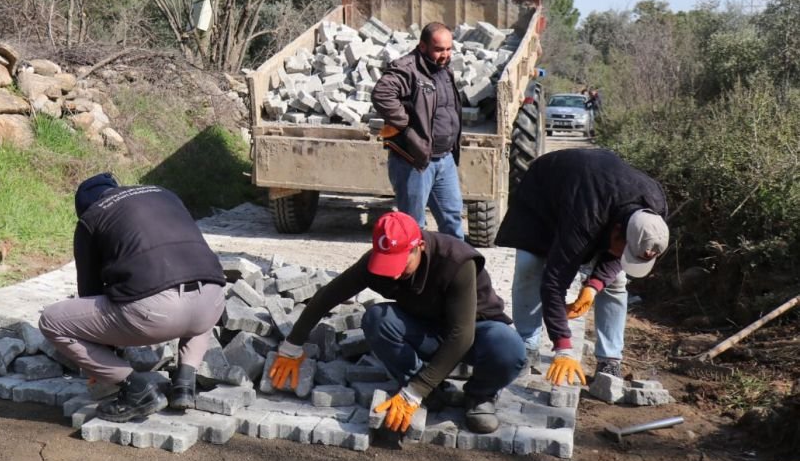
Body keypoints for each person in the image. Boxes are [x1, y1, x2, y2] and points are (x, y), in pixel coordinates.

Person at [270, 212, 525, 434]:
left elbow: (461, 334)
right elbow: (330, 294)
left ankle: (479, 395)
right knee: (376, 318)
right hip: (425, 330)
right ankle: (432, 392)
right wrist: (292, 345)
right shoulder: (376, 262)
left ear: (419, 246)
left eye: (401, 264)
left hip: (475, 333)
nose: (393, 272)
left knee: (509, 348)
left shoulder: (456, 262)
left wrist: (416, 391)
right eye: (387, 263)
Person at [38, 174, 227, 422]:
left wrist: (103, 359)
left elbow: (91, 291)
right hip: (213, 302)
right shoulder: (164, 193)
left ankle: (137, 390)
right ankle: (184, 382)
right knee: (198, 288)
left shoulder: (91, 219)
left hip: (158, 314)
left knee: (50, 321)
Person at [494, 149, 669, 384]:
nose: (624, 257)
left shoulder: (654, 215)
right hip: (544, 195)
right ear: (616, 231)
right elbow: (554, 282)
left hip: (597, 196)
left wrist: (593, 286)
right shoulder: (586, 218)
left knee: (616, 282)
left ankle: (610, 360)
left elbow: (619, 255)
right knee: (530, 266)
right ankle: (527, 346)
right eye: (624, 250)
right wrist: (563, 347)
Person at [371, 22, 465, 239]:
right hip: (414, 162)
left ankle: (452, 270)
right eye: (439, 49)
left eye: (449, 49)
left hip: (445, 159)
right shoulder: (407, 68)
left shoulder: (444, 70)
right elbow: (382, 94)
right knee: (412, 228)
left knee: (452, 221)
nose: (445, 55)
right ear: (422, 46)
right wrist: (407, 124)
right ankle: (415, 272)